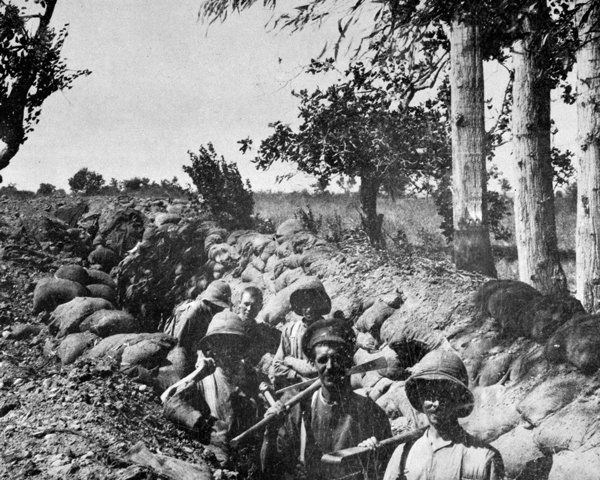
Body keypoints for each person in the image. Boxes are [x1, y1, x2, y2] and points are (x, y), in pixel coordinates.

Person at [262, 318, 392, 480]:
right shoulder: (299, 410)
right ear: (313, 364)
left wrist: (373, 455)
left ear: (347, 362)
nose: (330, 366)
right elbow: (272, 470)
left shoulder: (370, 412)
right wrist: (271, 432)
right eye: (322, 360)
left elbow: (388, 469)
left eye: (337, 359)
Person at [163, 310, 264, 474]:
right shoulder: (204, 380)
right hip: (218, 462)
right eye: (221, 344)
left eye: (234, 344)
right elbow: (170, 402)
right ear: (211, 349)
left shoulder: (251, 379)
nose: (228, 351)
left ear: (241, 348)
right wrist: (206, 425)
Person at [382, 349, 504, 480]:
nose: (436, 403)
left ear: (459, 399)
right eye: (429, 394)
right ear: (420, 398)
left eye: (444, 394)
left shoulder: (483, 458)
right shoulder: (404, 455)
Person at [270, 277, 332, 388]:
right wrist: (296, 376)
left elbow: (319, 367)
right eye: (304, 303)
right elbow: (276, 366)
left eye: (312, 303)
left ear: (320, 304)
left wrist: (290, 361)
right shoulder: (290, 331)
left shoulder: (328, 330)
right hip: (297, 389)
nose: (308, 309)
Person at [163, 280, 231, 373]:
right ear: (209, 302)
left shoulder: (208, 311)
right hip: (177, 352)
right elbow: (178, 344)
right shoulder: (191, 314)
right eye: (218, 306)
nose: (220, 309)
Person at [237, 286, 281, 367]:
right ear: (239, 303)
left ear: (260, 307)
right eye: (246, 304)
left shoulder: (260, 330)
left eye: (254, 306)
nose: (249, 309)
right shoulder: (230, 325)